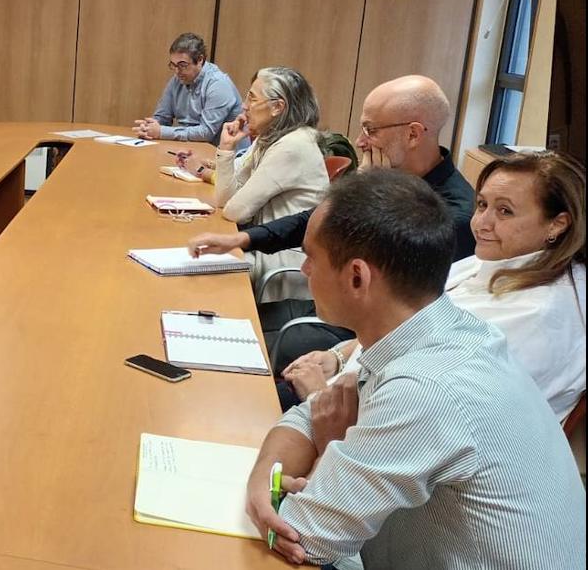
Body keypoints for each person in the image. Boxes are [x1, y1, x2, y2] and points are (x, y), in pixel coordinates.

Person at [244, 169, 585, 570]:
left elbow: (306, 536)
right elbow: (314, 413)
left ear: (358, 277)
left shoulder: (427, 387)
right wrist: (265, 475)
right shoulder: (431, 328)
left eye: (311, 258)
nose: (304, 271)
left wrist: (324, 452)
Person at [189, 75, 476, 363]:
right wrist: (243, 238)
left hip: (357, 339)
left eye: (371, 130)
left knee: (233, 355)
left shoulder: (452, 216)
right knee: (222, 325)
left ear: (413, 134)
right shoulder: (394, 175)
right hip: (325, 307)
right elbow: (312, 220)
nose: (359, 141)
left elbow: (390, 306)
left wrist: (366, 191)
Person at [283, 151, 586, 420]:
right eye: (482, 205)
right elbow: (406, 326)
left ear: (557, 224)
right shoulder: (489, 261)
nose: (482, 222)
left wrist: (318, 395)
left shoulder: (540, 315)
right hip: (354, 398)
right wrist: (338, 357)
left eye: (504, 211)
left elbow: (425, 405)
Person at [214, 67, 328, 297]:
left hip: (281, 261)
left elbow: (235, 211)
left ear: (277, 107)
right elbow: (224, 200)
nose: (244, 106)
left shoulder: (294, 145)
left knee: (204, 273)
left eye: (252, 98)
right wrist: (226, 149)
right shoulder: (269, 137)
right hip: (261, 248)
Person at [132, 32, 244, 146]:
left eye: (182, 65)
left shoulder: (218, 84)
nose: (177, 71)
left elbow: (206, 133)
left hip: (225, 155)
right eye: (173, 65)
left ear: (200, 59)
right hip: (192, 148)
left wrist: (161, 132)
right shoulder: (177, 79)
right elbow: (162, 117)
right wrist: (148, 128)